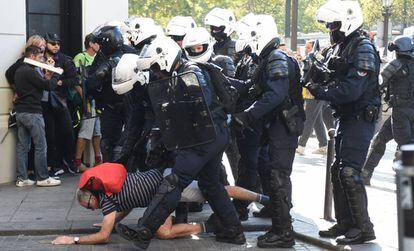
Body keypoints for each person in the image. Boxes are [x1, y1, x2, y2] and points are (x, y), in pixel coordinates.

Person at [118, 36, 245, 249]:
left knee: (174, 181)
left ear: (166, 58)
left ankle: (145, 229)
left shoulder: (191, 72)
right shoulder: (183, 72)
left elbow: (198, 105)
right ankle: (234, 231)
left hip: (204, 137)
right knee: (211, 184)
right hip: (211, 135)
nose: (156, 73)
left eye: (157, 67)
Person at [306, 0, 380, 244]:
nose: (331, 29)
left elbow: (351, 90)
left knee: (349, 172)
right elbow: (330, 74)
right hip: (347, 116)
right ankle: (345, 222)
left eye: (334, 24)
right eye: (328, 25)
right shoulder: (344, 46)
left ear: (347, 21)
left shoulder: (363, 48)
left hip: (361, 116)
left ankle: (364, 228)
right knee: (337, 170)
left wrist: (319, 91)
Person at [51, 163, 269, 245]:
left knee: (220, 192)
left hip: (168, 187)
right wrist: (112, 221)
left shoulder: (107, 200)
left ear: (93, 195)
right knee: (220, 191)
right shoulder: (113, 190)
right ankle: (263, 200)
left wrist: (74, 239)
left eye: (90, 206)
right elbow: (128, 203)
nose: (94, 209)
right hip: (164, 181)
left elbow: (103, 237)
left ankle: (214, 226)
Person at [231, 14, 304, 248]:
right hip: (276, 126)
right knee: (268, 170)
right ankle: (276, 215)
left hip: (284, 125)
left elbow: (275, 95)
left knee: (278, 176)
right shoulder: (269, 58)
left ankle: (284, 232)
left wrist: (248, 115)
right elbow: (253, 87)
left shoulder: (277, 59)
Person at [362, 36, 414, 184]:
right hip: (407, 113)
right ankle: (365, 173)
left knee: (404, 147)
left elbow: (378, 83)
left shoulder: (395, 65)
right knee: (381, 139)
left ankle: (405, 184)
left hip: (400, 113)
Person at [14, 45, 62, 187]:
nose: (42, 59)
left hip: (21, 112)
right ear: (33, 56)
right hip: (32, 113)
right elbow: (48, 86)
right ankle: (42, 177)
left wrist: (47, 75)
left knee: (23, 146)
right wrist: (57, 73)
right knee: (41, 145)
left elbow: (40, 84)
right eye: (40, 57)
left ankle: (22, 178)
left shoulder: (19, 70)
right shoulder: (30, 71)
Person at [86, 25, 128, 162]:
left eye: (101, 42)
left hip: (127, 105)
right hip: (110, 106)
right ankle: (111, 171)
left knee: (129, 139)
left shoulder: (127, 54)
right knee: (108, 143)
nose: (99, 46)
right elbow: (91, 80)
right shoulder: (102, 56)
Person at [42, 33, 78, 175]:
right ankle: (54, 165)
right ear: (46, 44)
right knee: (50, 135)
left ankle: (69, 161)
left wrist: (60, 82)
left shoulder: (64, 59)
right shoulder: (39, 58)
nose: (56, 46)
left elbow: (74, 80)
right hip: (44, 102)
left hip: (60, 101)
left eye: (58, 43)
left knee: (67, 132)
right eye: (53, 43)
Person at [297, 40, 334, 155]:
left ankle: (301, 145)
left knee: (308, 119)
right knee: (317, 120)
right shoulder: (311, 58)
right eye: (306, 47)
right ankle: (323, 145)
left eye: (308, 47)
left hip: (315, 93)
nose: (306, 49)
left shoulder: (318, 58)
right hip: (311, 93)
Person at [72, 33, 102, 171]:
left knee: (97, 132)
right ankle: (78, 163)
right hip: (88, 100)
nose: (100, 45)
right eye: (97, 42)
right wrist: (85, 96)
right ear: (91, 44)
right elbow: (75, 80)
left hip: (98, 99)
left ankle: (98, 159)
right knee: (85, 131)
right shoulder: (80, 57)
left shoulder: (99, 58)